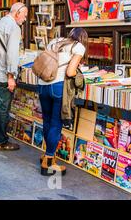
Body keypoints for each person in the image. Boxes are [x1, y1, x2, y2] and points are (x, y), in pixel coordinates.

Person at [38, 28, 88, 176]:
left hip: (42, 84)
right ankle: (48, 163)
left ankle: (48, 155)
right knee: (56, 123)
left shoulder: (55, 41)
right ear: (83, 38)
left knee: (47, 121)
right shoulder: (78, 46)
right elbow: (70, 72)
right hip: (58, 87)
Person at [0, 2, 28, 150]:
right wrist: (11, 76)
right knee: (3, 108)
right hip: (2, 74)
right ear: (17, 13)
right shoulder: (14, 28)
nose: (25, 19)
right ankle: (0, 141)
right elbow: (12, 54)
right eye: (24, 15)